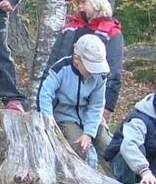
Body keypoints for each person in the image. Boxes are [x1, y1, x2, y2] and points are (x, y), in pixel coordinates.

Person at [43, 0, 124, 155]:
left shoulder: (111, 32)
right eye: (78, 2)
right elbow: (52, 63)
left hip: (93, 105)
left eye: (83, 1)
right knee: (80, 149)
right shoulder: (70, 28)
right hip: (63, 107)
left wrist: (107, 107)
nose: (79, 6)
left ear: (97, 1)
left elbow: (114, 72)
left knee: (111, 149)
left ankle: (129, 180)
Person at [37, 35, 109, 168]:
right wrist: (48, 118)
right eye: (90, 68)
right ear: (77, 59)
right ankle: (85, 183)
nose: (94, 73)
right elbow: (45, 94)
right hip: (66, 117)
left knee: (110, 147)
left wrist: (89, 133)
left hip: (91, 117)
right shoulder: (61, 68)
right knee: (79, 147)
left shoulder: (100, 76)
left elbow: (97, 105)